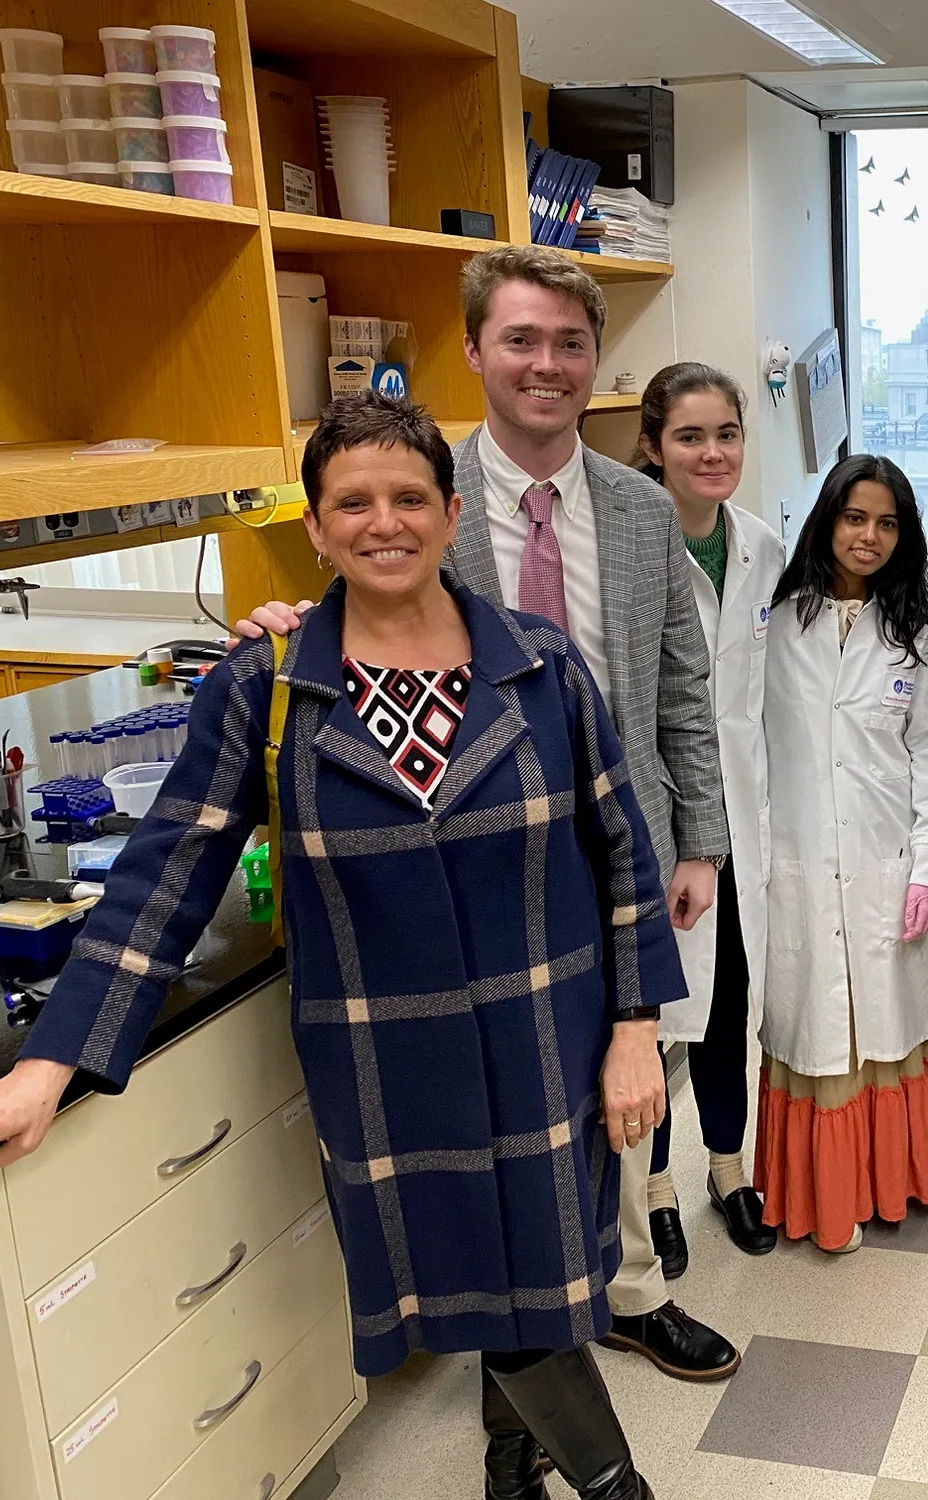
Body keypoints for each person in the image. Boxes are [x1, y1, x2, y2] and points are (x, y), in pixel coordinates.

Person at [0, 394, 682, 1500]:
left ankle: (512, 1458)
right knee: (487, 1279)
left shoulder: (539, 664)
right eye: (353, 502)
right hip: (389, 1069)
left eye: (408, 497)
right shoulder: (272, 683)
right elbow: (169, 875)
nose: (385, 522)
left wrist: (633, 1028)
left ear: (447, 509)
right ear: (318, 528)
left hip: (546, 1041)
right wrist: (47, 1068)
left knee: (533, 1279)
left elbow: (624, 854)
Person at [235, 247, 741, 1478]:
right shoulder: (412, 487)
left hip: (613, 851)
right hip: (465, 882)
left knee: (611, 1121)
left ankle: (611, 1308)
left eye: (571, 343)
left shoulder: (637, 507)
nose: (548, 365)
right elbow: (349, 628)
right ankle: (545, 1405)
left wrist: (700, 843)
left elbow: (682, 689)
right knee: (502, 1164)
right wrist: (274, 627)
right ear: (474, 350)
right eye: (521, 340)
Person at [756, 453, 928, 1254]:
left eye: (887, 522)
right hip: (799, 864)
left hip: (888, 861)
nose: (868, 536)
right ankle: (822, 1196)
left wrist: (926, 868)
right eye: (854, 518)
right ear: (827, 521)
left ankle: (891, 1186)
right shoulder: (780, 624)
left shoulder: (920, 635)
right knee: (817, 1031)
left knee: (887, 1027)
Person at [632, 362, 783, 1269]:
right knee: (647, 1021)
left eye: (726, 433)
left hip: (740, 824)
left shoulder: (759, 544)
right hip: (655, 819)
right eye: (690, 436)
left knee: (728, 1003)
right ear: (654, 446)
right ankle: (651, 1188)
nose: (713, 451)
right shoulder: (630, 545)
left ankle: (727, 1169)